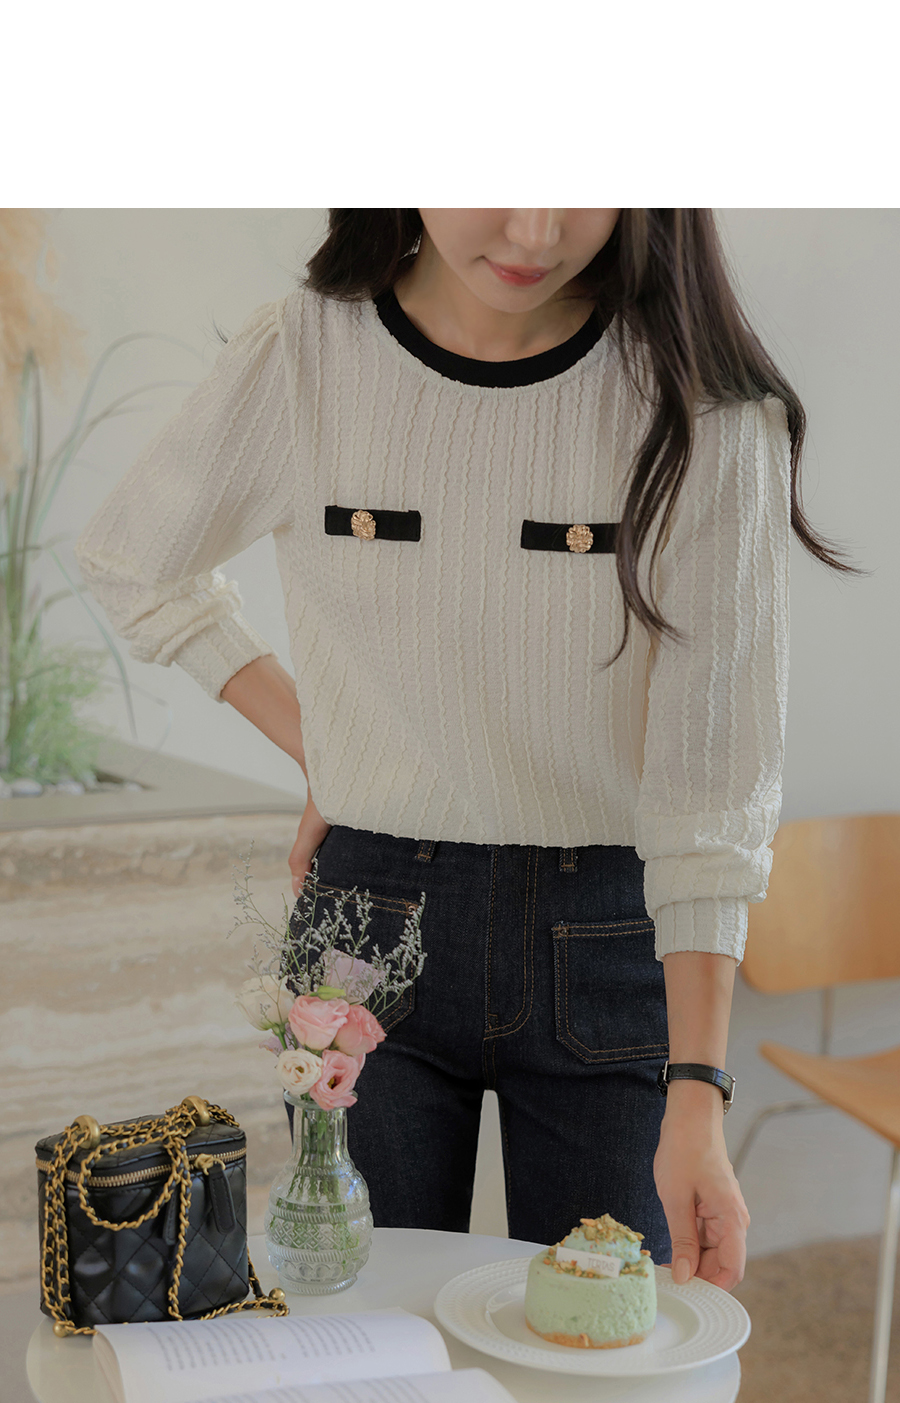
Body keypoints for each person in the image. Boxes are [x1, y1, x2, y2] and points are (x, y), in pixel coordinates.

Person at [75, 209, 850, 1294]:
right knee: (364, 1326)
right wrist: (329, 746)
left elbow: (711, 796)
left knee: (598, 1339)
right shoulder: (308, 354)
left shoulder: (706, 409)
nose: (535, 226)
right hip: (366, 920)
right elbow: (132, 562)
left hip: (608, 935)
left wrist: (698, 1097)